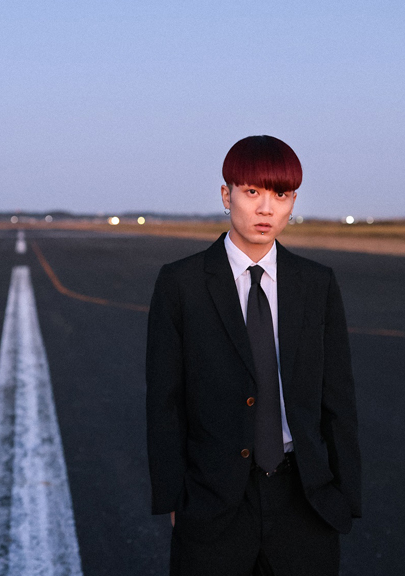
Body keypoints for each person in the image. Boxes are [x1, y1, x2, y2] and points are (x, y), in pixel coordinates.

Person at [146, 135, 361, 575]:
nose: (266, 209)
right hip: (214, 499)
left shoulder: (316, 283)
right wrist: (174, 499)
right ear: (226, 196)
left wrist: (344, 495)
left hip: (303, 499)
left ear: (293, 202)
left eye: (280, 195)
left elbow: (338, 398)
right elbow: (164, 401)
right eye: (252, 192)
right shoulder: (181, 283)